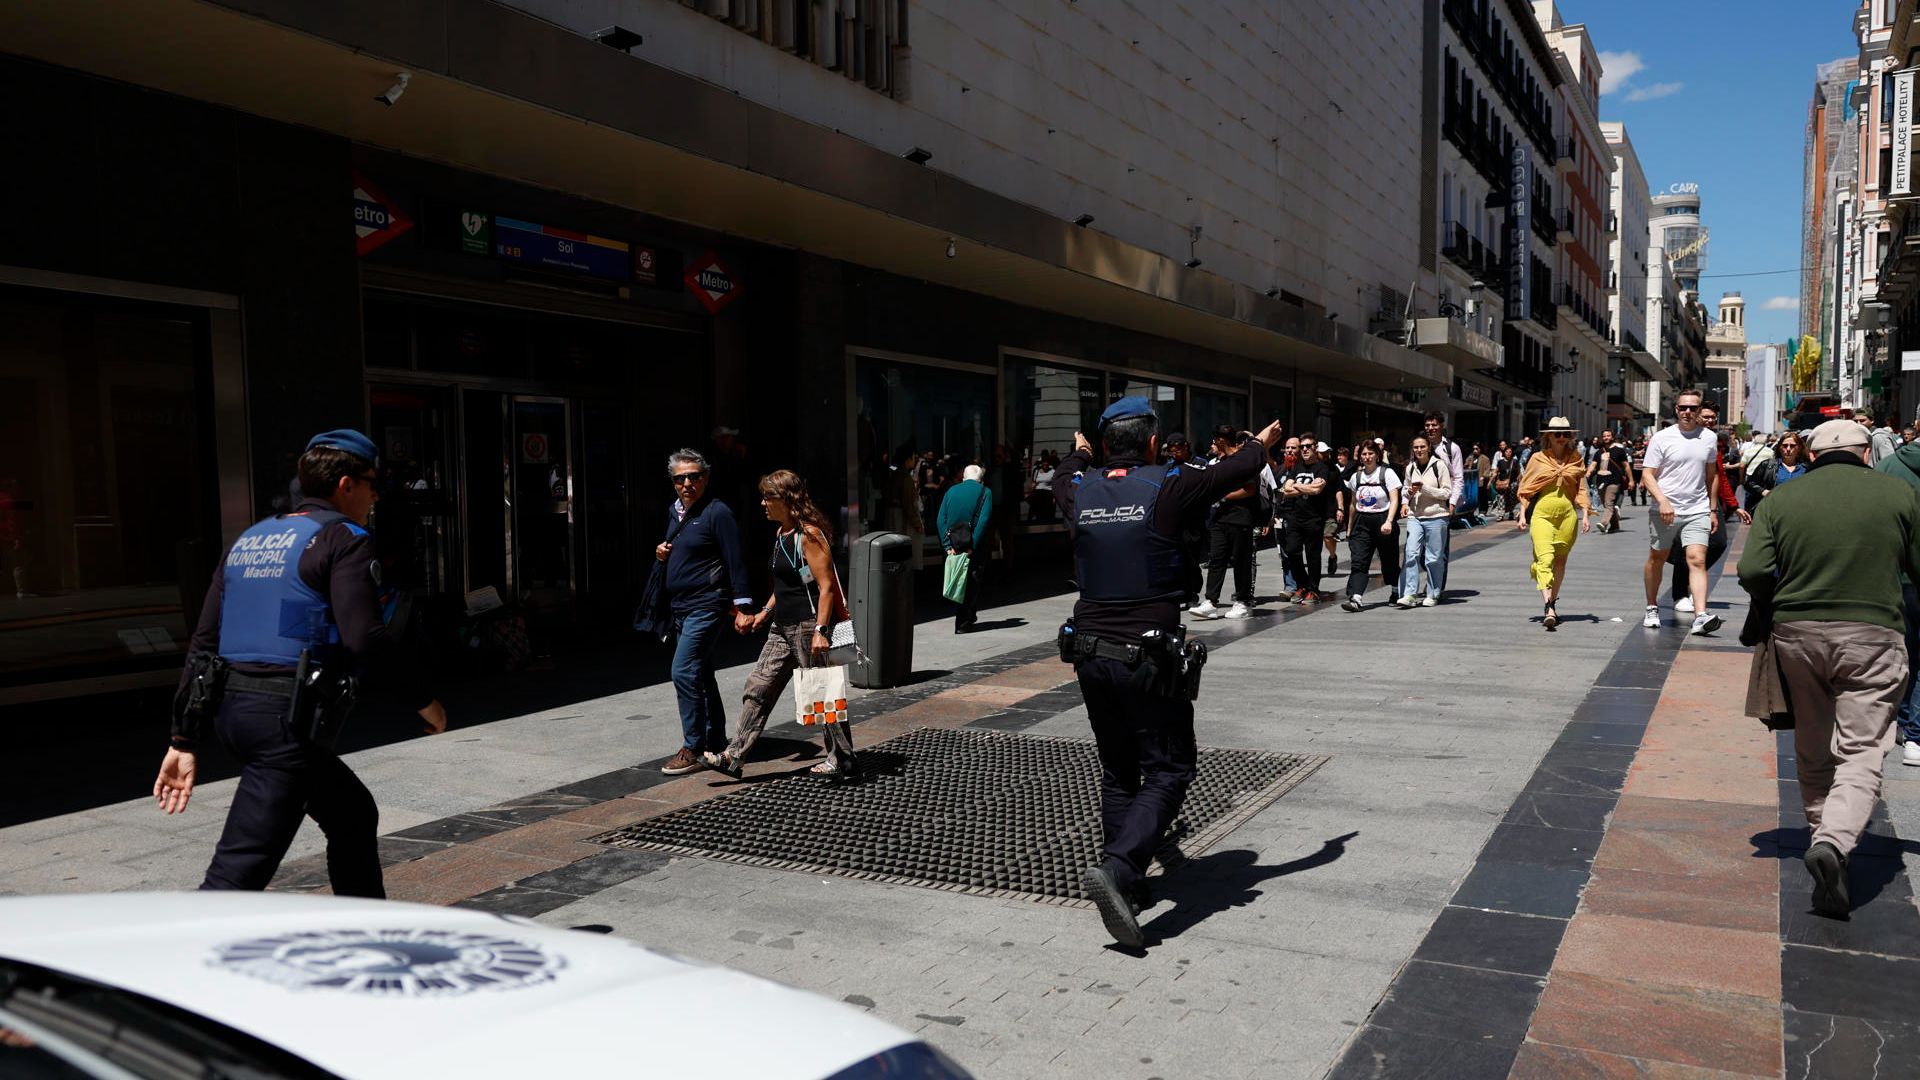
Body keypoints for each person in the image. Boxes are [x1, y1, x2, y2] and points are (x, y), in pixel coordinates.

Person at [153, 430, 449, 897]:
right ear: (347, 485)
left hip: (236, 713)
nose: (375, 496)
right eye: (372, 484)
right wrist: (424, 701)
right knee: (234, 877)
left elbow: (203, 643)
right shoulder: (344, 539)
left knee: (352, 814)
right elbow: (365, 638)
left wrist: (183, 737)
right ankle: (164, 965)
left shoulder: (248, 540)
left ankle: (362, 934)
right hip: (284, 725)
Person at [1053, 397, 1282, 947]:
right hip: (1147, 654)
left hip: (1087, 652)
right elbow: (1240, 467)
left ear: (1105, 444)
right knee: (1169, 767)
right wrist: (1262, 443)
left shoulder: (1078, 487)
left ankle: (1126, 884)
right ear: (1153, 443)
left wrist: (1080, 456)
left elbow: (1065, 470)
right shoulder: (1170, 483)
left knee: (1117, 769)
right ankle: (1119, 870)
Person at [1738, 419, 1920, 918]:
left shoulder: (1779, 500)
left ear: (1813, 455)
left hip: (1797, 636)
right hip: (1874, 636)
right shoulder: (1899, 494)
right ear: (1866, 452)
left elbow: (1752, 570)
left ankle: (1823, 838)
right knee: (1862, 750)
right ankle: (1836, 844)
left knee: (1813, 746)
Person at [706, 470, 858, 780]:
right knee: (758, 687)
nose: (762, 503)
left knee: (822, 695)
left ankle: (843, 759)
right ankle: (733, 757)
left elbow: (826, 587)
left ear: (786, 500)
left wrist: (820, 631)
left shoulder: (810, 535)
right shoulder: (781, 535)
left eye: (768, 497)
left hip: (807, 626)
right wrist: (764, 613)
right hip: (782, 627)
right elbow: (784, 585)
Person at [656, 449, 754, 775]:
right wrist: (661, 554)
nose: (687, 483)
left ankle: (693, 746)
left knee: (682, 671)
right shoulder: (675, 512)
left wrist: (742, 606)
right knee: (701, 673)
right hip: (681, 608)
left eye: (694, 476)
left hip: (706, 606)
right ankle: (713, 741)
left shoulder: (717, 512)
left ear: (706, 478)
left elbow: (735, 559)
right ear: (672, 482)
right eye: (680, 478)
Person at [1640, 391, 1723, 636]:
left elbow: (1711, 474)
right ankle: (1652, 606)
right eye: (1683, 408)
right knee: (1658, 558)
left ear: (1699, 411)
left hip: (1697, 509)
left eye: (1693, 408)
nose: (1687, 412)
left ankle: (1700, 615)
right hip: (1664, 510)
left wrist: (1712, 508)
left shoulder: (1709, 438)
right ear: (1676, 409)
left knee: (1697, 559)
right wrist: (1663, 501)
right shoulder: (1662, 438)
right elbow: (1647, 474)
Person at [1668, 405, 1749, 616]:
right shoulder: (1680, 437)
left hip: (1709, 502)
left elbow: (1719, 476)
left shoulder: (1713, 441)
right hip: (1683, 501)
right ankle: (1680, 594)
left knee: (1718, 542)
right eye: (1706, 417)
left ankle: (1695, 581)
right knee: (1683, 549)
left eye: (1713, 417)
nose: (1710, 421)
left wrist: (1733, 505)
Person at [1516, 418, 1592, 630]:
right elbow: (1526, 487)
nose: (1561, 438)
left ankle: (1552, 602)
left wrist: (1585, 513)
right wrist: (1522, 514)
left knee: (1560, 561)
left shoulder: (1576, 459)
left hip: (1567, 514)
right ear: (1548, 436)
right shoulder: (1537, 458)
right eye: (1557, 434)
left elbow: (1581, 488)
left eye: (1565, 434)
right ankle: (1549, 606)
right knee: (1545, 558)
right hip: (1542, 513)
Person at [1875, 431, 1920, 767]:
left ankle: (1904, 721)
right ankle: (1916, 734)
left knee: (1904, 649)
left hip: (1894, 573)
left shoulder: (1889, 465)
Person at [1192, 428, 1259, 619]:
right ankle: (1211, 602)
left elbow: (1250, 489)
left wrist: (1224, 495)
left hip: (1240, 518)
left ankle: (1242, 601)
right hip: (1219, 519)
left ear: (1222, 440)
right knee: (1217, 560)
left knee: (1241, 561)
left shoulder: (1242, 462)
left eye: (1215, 439)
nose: (1213, 442)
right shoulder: (1220, 463)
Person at [1340, 443, 1402, 611]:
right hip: (1362, 521)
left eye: (1370, 453)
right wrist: (1349, 527)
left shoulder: (1387, 473)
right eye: (1364, 454)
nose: (1367, 457)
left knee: (1389, 560)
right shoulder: (1356, 477)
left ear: (1377, 455)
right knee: (1359, 560)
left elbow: (1395, 499)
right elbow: (1353, 503)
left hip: (1383, 519)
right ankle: (1356, 597)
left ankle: (1396, 590)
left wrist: (1389, 520)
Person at [1277, 437, 1340, 603]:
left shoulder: (1322, 468)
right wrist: (1306, 488)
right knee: (1291, 551)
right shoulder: (1297, 467)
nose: (1304, 449)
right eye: (1302, 447)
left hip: (1314, 518)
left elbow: (1317, 490)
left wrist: (1297, 486)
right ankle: (1302, 585)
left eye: (1308, 446)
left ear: (1315, 448)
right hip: (1295, 517)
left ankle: (1313, 589)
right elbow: (1286, 491)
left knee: (1313, 556)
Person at [1396, 436, 1455, 608]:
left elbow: (1446, 493)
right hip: (1415, 516)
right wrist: (1405, 501)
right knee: (1411, 553)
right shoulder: (1410, 468)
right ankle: (1410, 594)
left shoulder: (1439, 465)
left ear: (1429, 447)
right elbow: (1405, 491)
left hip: (1436, 517)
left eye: (1422, 446)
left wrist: (1424, 488)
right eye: (1416, 447)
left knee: (1434, 558)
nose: (1419, 450)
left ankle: (1433, 593)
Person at [937, 463, 995, 633]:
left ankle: (969, 615)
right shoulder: (986, 492)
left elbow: (941, 519)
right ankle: (963, 621)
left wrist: (947, 545)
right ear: (980, 480)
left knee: (957, 578)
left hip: (953, 543)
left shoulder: (951, 491)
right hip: (974, 545)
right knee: (972, 580)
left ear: (963, 478)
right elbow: (983, 521)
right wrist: (973, 546)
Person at [1164, 433, 1206, 608]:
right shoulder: (1169, 466)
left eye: (1178, 450)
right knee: (1176, 557)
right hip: (1175, 518)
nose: (1176, 454)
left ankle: (1192, 592)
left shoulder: (1200, 464)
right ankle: (1180, 591)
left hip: (1194, 519)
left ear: (1186, 447)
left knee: (1191, 557)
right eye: (1172, 451)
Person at [1422, 412, 1466, 538]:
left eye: (1434, 425)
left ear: (1442, 426)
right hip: (1422, 502)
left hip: (1443, 502)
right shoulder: (1419, 447)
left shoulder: (1452, 449)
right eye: (1427, 425)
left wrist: (1452, 503)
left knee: (1440, 543)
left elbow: (1458, 478)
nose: (1430, 428)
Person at [1586, 429, 1632, 533]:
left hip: (1615, 480)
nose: (1606, 438)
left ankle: (1604, 523)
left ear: (1612, 437)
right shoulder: (1599, 452)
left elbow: (1626, 466)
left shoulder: (1619, 451)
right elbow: (1593, 464)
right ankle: (1615, 526)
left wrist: (1631, 481)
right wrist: (1588, 472)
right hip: (1601, 481)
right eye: (1604, 436)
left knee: (1609, 502)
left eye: (1608, 436)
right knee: (1606, 504)